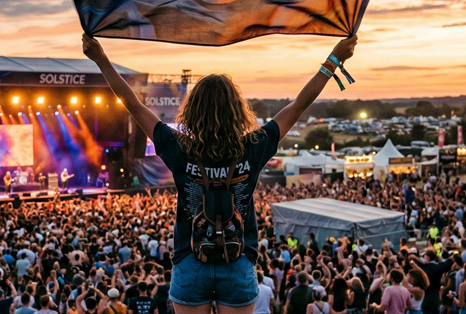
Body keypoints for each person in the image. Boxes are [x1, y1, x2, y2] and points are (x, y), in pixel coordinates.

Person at [83, 33, 357, 313]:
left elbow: (133, 105)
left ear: (192, 111)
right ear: (237, 110)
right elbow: (298, 105)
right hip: (237, 258)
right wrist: (333, 59)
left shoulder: (178, 147)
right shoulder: (253, 146)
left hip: (190, 258)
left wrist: (101, 58)